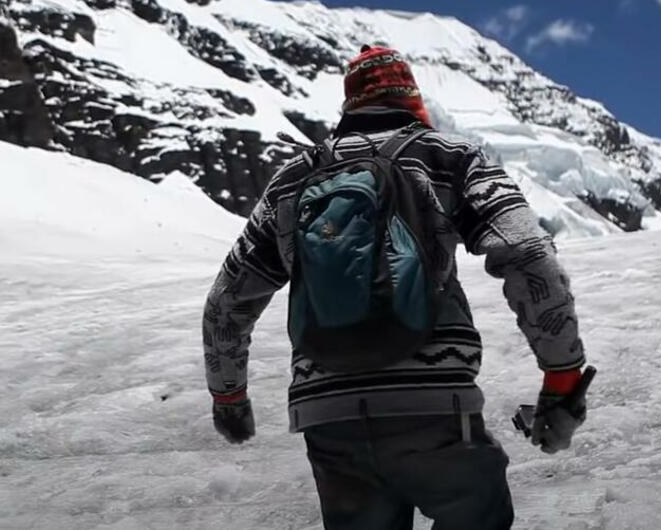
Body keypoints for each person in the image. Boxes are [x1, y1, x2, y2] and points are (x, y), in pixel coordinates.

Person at [202, 45, 588, 530]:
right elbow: (530, 256)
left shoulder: (292, 180)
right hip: (436, 410)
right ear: (411, 100)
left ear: (352, 104)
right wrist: (562, 375)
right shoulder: (451, 157)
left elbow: (226, 303)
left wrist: (229, 399)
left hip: (328, 416)